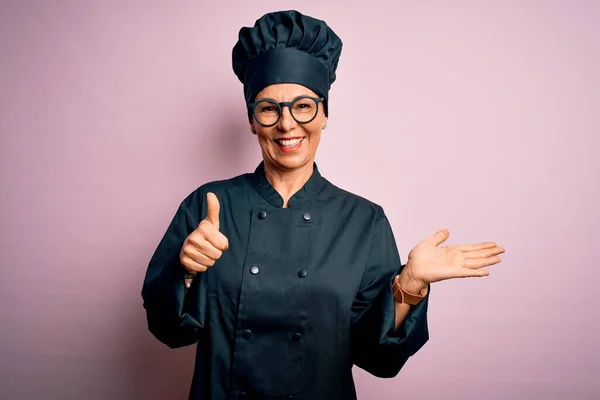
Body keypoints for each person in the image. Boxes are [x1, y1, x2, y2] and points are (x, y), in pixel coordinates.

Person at [141, 9, 504, 400]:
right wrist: (185, 270)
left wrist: (410, 285)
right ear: (252, 121)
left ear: (324, 113)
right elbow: (168, 331)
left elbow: (377, 359)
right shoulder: (208, 205)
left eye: (303, 105)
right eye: (268, 109)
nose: (287, 124)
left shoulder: (363, 221)